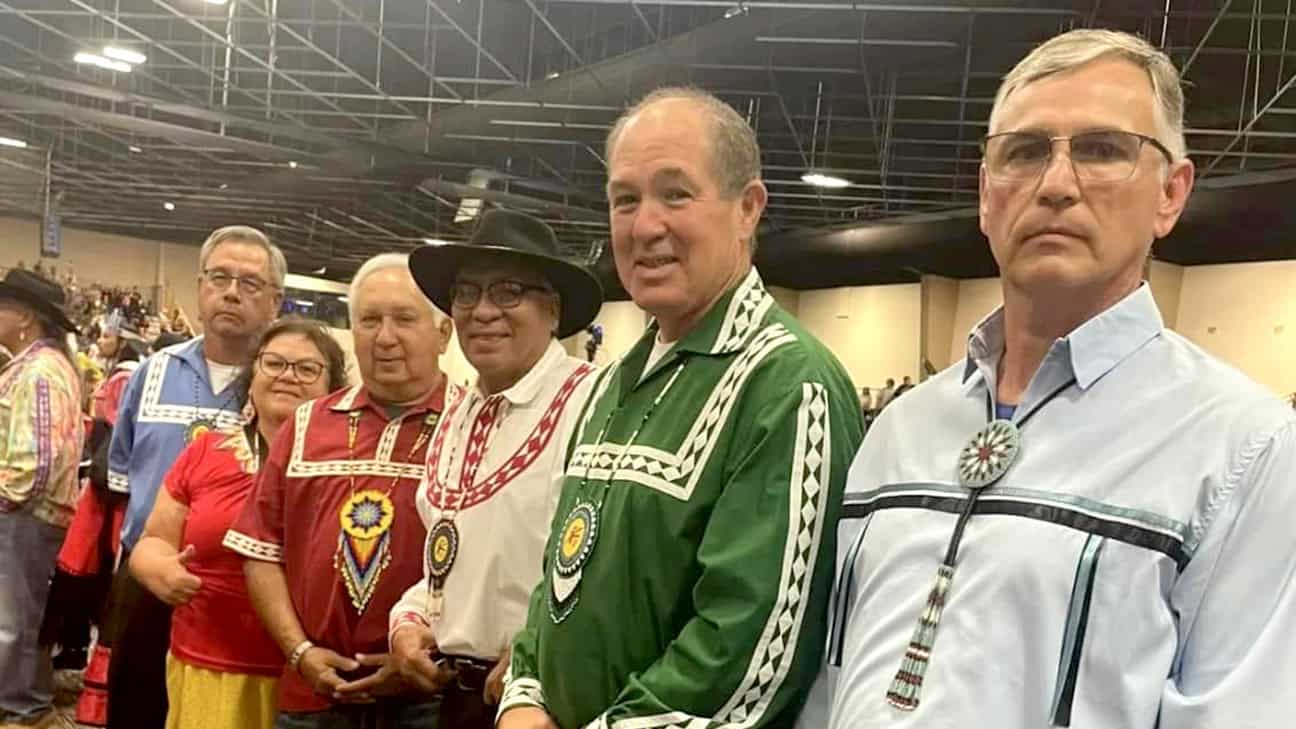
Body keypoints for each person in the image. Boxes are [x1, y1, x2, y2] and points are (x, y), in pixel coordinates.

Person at [805, 29, 1296, 729]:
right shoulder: (901, 429)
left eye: (1102, 150)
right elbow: (831, 685)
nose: (1056, 184)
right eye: (1025, 152)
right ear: (985, 195)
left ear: (1170, 194)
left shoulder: (1244, 449)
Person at [499, 87, 864, 729]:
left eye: (675, 194)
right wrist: (525, 696)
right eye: (625, 199)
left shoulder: (786, 384)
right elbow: (560, 579)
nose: (644, 226)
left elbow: (751, 656)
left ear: (747, 208)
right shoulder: (609, 386)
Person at [390, 209, 603, 728]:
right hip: (456, 699)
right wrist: (409, 621)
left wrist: (541, 653)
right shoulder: (460, 413)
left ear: (552, 311)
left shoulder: (594, 404)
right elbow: (451, 566)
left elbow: (609, 568)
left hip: (543, 701)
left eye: (508, 292)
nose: (483, 311)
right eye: (467, 293)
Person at [226, 254, 454, 728]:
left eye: (405, 319)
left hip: (429, 699)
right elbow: (260, 549)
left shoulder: (473, 426)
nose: (385, 337)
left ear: (444, 333)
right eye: (369, 320)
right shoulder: (306, 424)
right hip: (312, 694)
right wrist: (300, 651)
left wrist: (420, 653)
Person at [104, 226, 285, 729]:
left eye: (250, 283)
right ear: (199, 286)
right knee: (137, 710)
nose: (231, 292)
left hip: (243, 599)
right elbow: (122, 478)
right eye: (219, 277)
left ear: (276, 301)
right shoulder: (151, 372)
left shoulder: (286, 382)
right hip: (148, 581)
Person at [130, 319, 346, 729]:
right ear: (251, 380)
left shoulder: (345, 470)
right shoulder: (205, 452)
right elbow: (152, 542)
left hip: (308, 678)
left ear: (333, 391)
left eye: (307, 369)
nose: (287, 376)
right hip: (210, 667)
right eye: (274, 363)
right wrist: (161, 569)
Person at [0, 270, 85, 729]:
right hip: (33, 514)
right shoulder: (44, 366)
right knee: (24, 615)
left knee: (14, 618)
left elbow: (36, 462)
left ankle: (24, 705)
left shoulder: (37, 371)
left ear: (25, 317)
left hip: (26, 514)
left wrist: (4, 500)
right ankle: (24, 698)